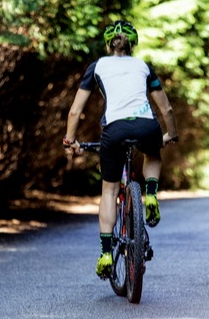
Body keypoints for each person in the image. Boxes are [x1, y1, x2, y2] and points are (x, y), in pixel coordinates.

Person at [64, 20, 179, 279]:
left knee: (110, 189)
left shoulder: (98, 66)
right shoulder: (143, 67)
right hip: (147, 126)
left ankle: (106, 253)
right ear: (133, 44)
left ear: (108, 44)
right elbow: (167, 109)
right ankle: (150, 194)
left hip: (114, 130)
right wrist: (170, 133)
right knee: (153, 152)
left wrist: (69, 140)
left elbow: (75, 111)